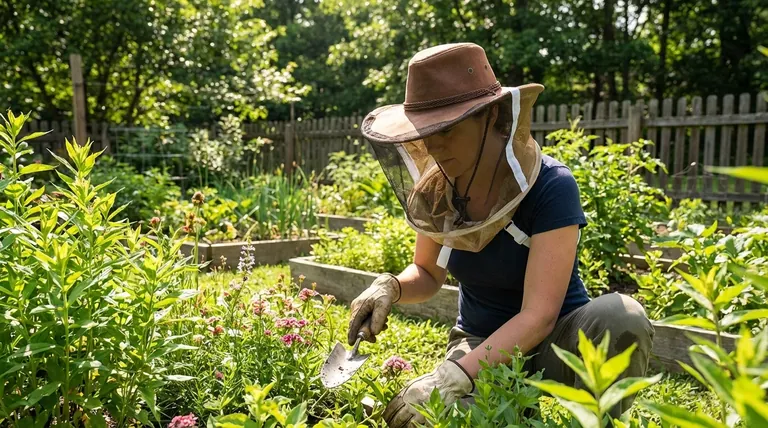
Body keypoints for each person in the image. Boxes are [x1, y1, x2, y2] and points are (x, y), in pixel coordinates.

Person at [347, 42, 655, 427]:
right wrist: (390, 286)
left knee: (621, 316)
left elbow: (539, 316)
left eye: (447, 128)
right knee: (434, 418)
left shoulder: (551, 185)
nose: (435, 146)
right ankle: (514, 409)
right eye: (427, 132)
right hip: (479, 341)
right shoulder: (438, 191)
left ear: (490, 116)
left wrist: (455, 376)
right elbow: (426, 274)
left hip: (559, 342)